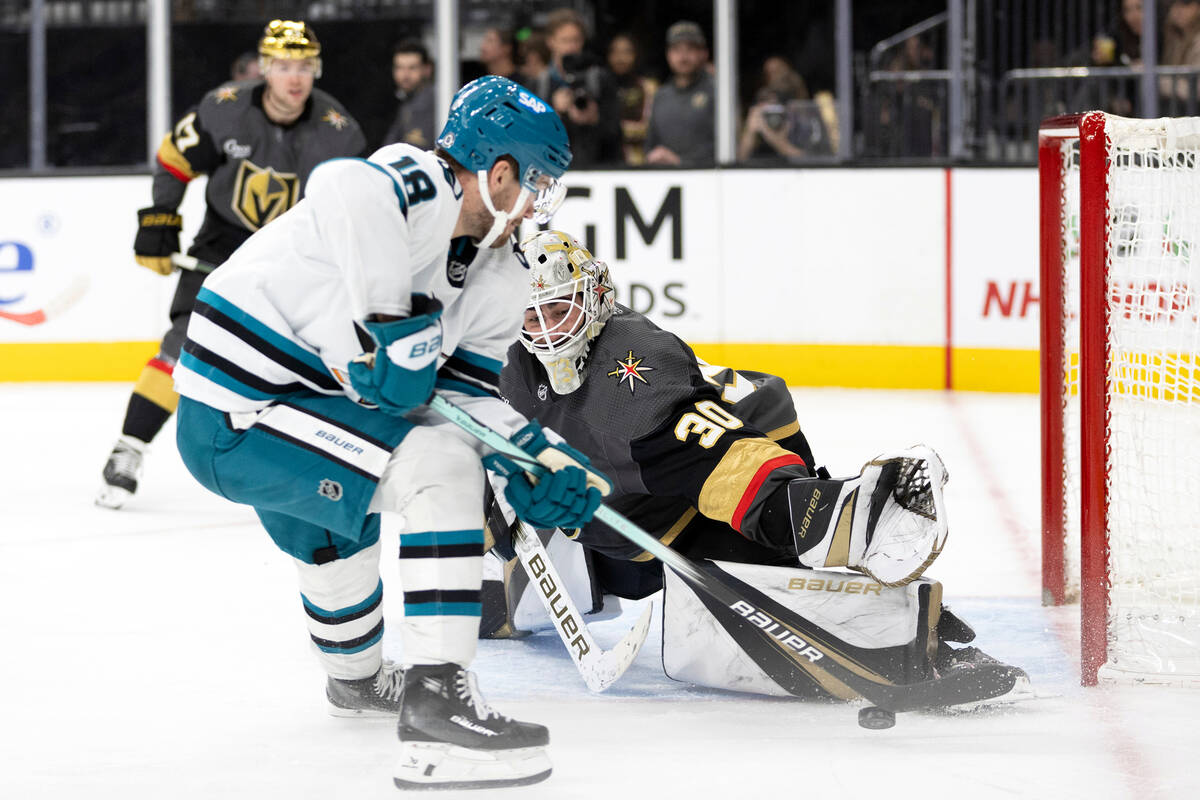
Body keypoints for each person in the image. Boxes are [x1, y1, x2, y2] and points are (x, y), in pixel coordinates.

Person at [173, 77, 598, 790]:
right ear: (498, 173)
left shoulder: (499, 274)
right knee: (439, 464)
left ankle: (358, 681)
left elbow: (462, 396)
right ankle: (438, 703)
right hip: (234, 411)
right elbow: (343, 184)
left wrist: (538, 455)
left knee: (339, 528)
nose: (538, 204)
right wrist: (393, 321)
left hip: (307, 417)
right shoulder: (421, 183)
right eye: (537, 184)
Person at [488, 229, 1027, 701]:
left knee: (761, 546)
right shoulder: (505, 359)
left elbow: (709, 453)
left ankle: (830, 524)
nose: (547, 330)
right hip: (632, 510)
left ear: (596, 295)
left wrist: (796, 510)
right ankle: (843, 573)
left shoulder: (626, 363)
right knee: (564, 563)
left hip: (724, 463)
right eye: (531, 315)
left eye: (559, 309)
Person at [95, 19, 367, 509]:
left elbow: (358, 205)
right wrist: (160, 219)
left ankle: (317, 466)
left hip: (293, 256)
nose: (294, 78)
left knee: (307, 364)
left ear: (316, 71)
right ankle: (128, 448)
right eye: (284, 66)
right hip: (221, 244)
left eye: (304, 67)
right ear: (265, 69)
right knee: (182, 345)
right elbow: (174, 158)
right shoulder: (225, 109)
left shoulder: (339, 132)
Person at [533, 8, 623, 167]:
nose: (571, 47)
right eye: (565, 40)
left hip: (596, 168)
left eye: (576, 40)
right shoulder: (539, 85)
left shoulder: (601, 80)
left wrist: (595, 119)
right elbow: (529, 139)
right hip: (552, 173)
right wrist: (554, 113)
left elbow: (616, 132)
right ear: (551, 42)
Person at [644, 21, 715, 167]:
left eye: (690, 49)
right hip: (667, 181)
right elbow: (650, 144)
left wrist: (681, 162)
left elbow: (726, 146)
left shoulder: (716, 92)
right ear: (668, 55)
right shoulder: (661, 96)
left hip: (708, 179)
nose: (683, 57)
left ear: (704, 53)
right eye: (676, 49)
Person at [607, 33, 658, 165]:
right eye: (615, 52)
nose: (620, 58)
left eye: (627, 52)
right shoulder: (601, 86)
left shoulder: (648, 87)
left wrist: (613, 129)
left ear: (637, 55)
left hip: (638, 163)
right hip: (605, 163)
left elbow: (652, 127)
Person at [381, 39, 436, 149]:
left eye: (412, 68)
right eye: (399, 68)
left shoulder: (433, 103)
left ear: (427, 69)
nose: (405, 75)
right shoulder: (405, 101)